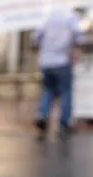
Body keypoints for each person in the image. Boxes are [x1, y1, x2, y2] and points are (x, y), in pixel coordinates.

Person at [33, 7, 84, 135]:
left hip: (46, 61)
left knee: (48, 90)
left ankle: (42, 114)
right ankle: (64, 123)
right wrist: (75, 49)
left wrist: (44, 47)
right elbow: (79, 36)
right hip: (62, 61)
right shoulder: (71, 18)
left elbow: (35, 37)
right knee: (66, 92)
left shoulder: (46, 17)